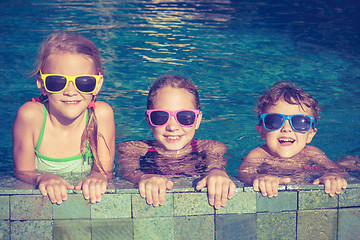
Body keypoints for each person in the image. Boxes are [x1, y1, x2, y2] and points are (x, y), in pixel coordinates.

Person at [12, 32, 115, 205]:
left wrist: (97, 176)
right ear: (42, 84)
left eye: (83, 82)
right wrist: (40, 178)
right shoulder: (31, 116)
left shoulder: (101, 115)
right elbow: (22, 172)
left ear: (97, 84)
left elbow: (104, 171)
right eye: (57, 82)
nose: (70, 91)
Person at [117, 75, 235, 209]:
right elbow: (128, 170)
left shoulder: (211, 148)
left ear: (197, 120)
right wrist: (142, 177)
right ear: (149, 120)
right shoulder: (133, 149)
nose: (172, 127)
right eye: (160, 117)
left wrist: (217, 173)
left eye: (185, 117)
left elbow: (216, 165)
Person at [238, 82, 347, 198]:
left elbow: (335, 169)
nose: (286, 129)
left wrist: (331, 175)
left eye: (299, 122)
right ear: (261, 131)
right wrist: (257, 178)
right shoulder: (258, 154)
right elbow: (244, 172)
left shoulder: (312, 153)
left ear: (310, 135)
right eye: (274, 121)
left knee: (349, 163)